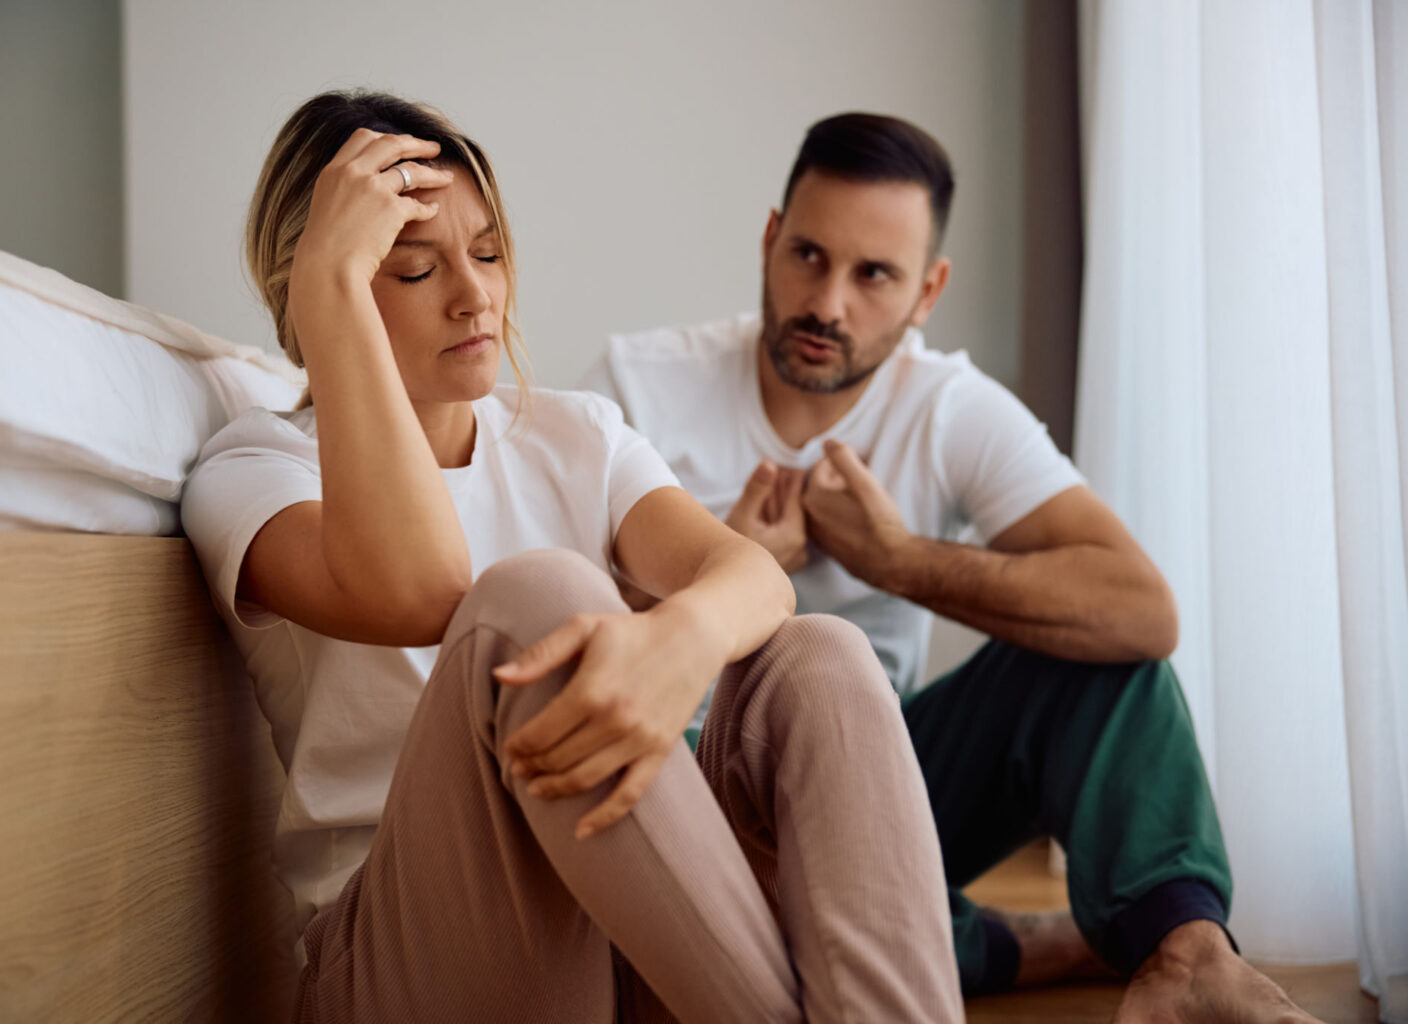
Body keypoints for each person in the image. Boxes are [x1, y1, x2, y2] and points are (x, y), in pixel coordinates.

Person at [180, 91, 966, 1024]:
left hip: (623, 935)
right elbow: (428, 589)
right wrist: (329, 289)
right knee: (538, 598)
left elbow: (756, 579)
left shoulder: (573, 432)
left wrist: (679, 642)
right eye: (412, 268)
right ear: (323, 288)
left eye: (486, 252)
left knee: (821, 658)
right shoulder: (255, 471)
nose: (473, 295)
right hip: (404, 962)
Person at [581, 112, 1325, 1024]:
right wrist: (717, 574)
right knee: (669, 897)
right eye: (809, 256)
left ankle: (1189, 956)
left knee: (1101, 666)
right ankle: (1016, 944)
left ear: (928, 291)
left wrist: (898, 561)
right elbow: (557, 644)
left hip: (879, 790)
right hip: (687, 794)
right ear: (771, 239)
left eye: (875, 275)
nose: (829, 305)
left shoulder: (950, 410)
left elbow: (1143, 610)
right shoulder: (637, 387)